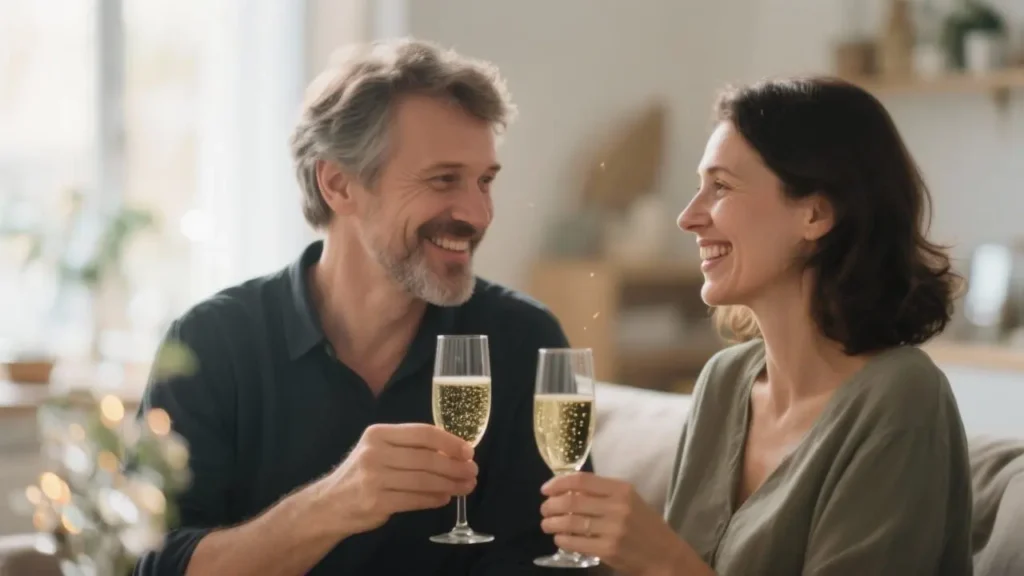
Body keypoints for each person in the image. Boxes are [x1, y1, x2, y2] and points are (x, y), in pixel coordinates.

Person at [134, 38, 587, 575]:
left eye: (484, 181)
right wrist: (334, 505)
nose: (478, 213)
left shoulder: (523, 341)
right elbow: (153, 567)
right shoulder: (210, 344)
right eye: (444, 179)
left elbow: (548, 560)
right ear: (339, 184)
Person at [538, 77, 973, 575]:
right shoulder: (723, 382)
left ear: (815, 213)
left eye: (720, 186)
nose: (687, 217)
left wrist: (664, 561)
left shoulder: (901, 397)